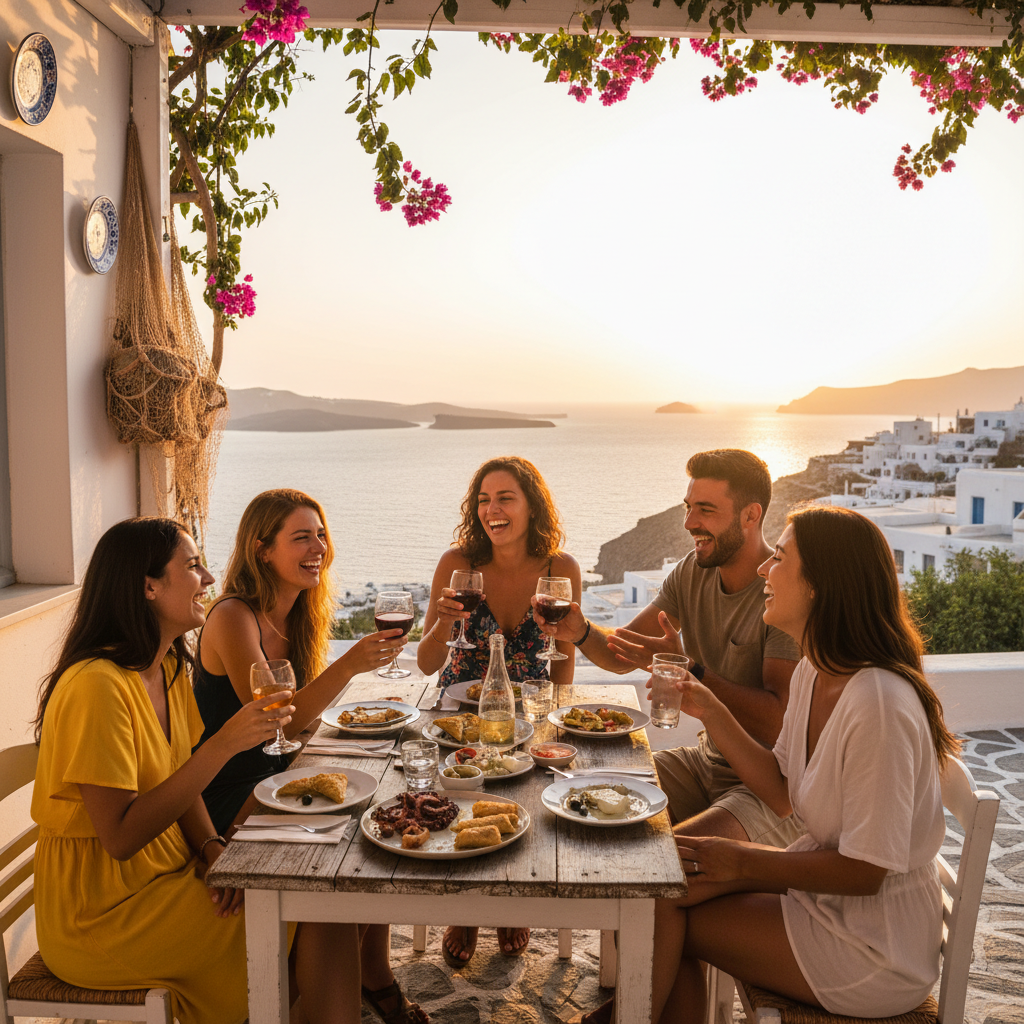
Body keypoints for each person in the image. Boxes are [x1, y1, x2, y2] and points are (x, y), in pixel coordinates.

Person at [593, 504, 958, 1024]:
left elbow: (866, 872)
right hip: (823, 902)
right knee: (657, 881)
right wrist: (710, 708)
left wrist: (742, 861)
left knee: (656, 905)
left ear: (819, 586)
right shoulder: (817, 671)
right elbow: (782, 789)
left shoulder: (879, 704)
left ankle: (620, 1018)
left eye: (780, 559)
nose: (765, 569)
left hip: (873, 948)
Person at [29, 516, 362, 1024]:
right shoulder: (95, 687)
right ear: (148, 586)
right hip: (103, 913)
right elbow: (119, 837)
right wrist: (224, 744)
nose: (208, 579)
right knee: (317, 906)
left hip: (169, 871)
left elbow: (180, 780)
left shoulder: (165, 667)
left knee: (324, 898)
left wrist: (212, 849)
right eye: (192, 566)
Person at [194, 488, 426, 1024]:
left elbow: (301, 726)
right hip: (230, 794)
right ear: (261, 550)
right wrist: (350, 666)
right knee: (356, 846)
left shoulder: (297, 615)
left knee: (379, 822)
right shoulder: (233, 616)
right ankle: (330, 988)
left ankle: (360, 977)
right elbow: (284, 718)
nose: (317, 546)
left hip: (279, 777)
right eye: (301, 537)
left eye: (321, 534)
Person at [533, 449, 803, 852]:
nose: (689, 523)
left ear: (751, 515)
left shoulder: (780, 592)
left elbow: (777, 723)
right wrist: (582, 630)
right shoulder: (691, 572)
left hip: (770, 787)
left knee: (655, 859)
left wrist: (691, 673)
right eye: (689, 507)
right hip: (706, 762)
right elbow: (622, 653)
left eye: (706, 510)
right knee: (572, 793)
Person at [417, 455, 581, 966]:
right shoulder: (457, 564)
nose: (493, 509)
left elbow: (563, 672)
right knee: (463, 797)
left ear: (532, 506)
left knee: (530, 790)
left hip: (527, 717)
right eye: (484, 500)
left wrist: (545, 728)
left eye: (505, 498)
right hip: (459, 716)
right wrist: (444, 623)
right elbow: (426, 663)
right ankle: (464, 910)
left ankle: (514, 900)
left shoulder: (561, 570)